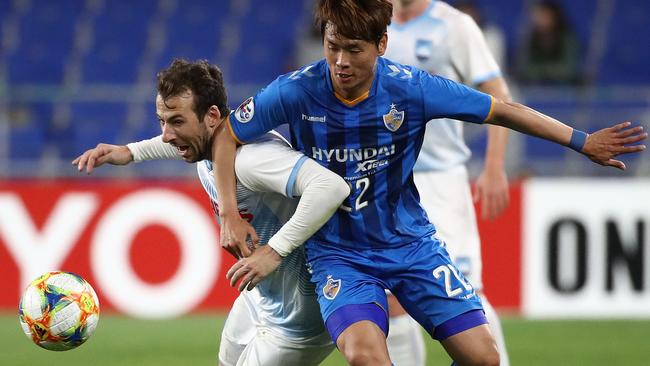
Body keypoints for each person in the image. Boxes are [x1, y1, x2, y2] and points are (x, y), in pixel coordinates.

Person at [212, 1, 646, 365]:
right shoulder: (296, 90)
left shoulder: (412, 88)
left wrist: (580, 140)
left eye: (354, 50)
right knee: (367, 356)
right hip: (339, 254)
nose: (340, 61)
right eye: (332, 47)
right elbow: (228, 135)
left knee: (484, 358)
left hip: (409, 244)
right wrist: (229, 212)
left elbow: (502, 109)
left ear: (381, 45)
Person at [72, 59, 350, 366]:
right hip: (261, 298)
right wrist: (128, 152)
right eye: (162, 121)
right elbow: (169, 144)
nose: (166, 134)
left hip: (298, 317)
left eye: (176, 122)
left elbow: (331, 188)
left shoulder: (252, 160)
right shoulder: (207, 149)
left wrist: (273, 252)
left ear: (212, 116)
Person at [384, 1, 512, 364]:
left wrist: (494, 166)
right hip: (386, 181)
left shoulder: (454, 26)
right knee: (390, 298)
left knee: (466, 293)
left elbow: (499, 96)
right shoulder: (372, 20)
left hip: (440, 180)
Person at [515, 0, 581, 85]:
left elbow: (568, 69)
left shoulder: (568, 39)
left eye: (545, 16)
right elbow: (524, 67)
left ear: (555, 18)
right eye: (538, 16)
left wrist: (543, 71)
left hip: (563, 87)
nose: (539, 20)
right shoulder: (529, 39)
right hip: (535, 87)